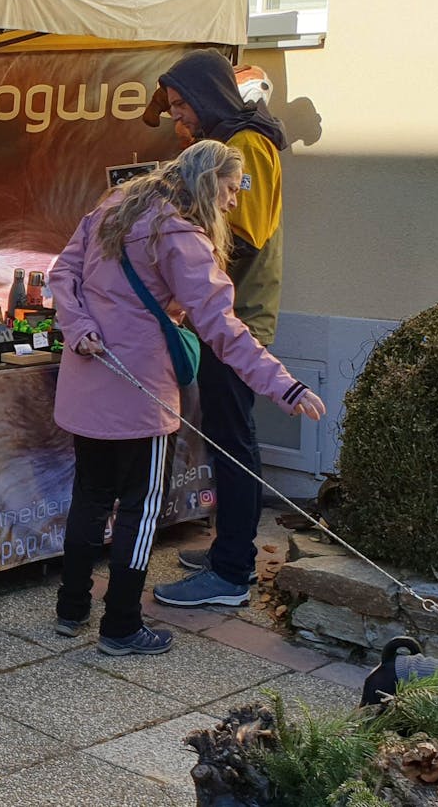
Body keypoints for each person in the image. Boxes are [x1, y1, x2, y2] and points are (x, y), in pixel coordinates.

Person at [48, 141, 323, 657]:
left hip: (88, 380)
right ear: (207, 180)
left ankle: (71, 608)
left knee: (88, 496)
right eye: (232, 186)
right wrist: (284, 384)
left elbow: (61, 274)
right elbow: (223, 327)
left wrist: (79, 327)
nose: (236, 200)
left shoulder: (112, 206)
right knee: (140, 508)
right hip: (140, 392)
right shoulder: (180, 235)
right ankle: (123, 626)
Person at [144, 50, 292, 609]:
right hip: (220, 313)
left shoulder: (249, 145)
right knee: (226, 436)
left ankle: (231, 571)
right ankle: (230, 548)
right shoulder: (231, 139)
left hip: (236, 319)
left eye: (183, 106)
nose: (179, 118)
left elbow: (244, 233)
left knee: (234, 441)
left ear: (208, 97)